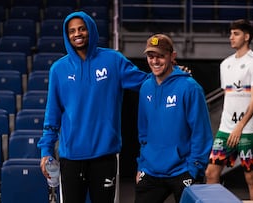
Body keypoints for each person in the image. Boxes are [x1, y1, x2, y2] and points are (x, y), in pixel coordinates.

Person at [37, 11, 190, 203]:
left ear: (90, 30)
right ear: (67, 35)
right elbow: (52, 115)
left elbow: (146, 82)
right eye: (72, 31)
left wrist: (173, 74)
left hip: (105, 156)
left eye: (82, 29)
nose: (77, 34)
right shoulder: (58, 70)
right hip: (71, 157)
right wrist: (46, 151)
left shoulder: (113, 60)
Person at [134, 33, 214, 203]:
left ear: (172, 56)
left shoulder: (190, 88)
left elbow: (201, 132)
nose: (155, 61)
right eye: (151, 56)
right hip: (151, 170)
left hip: (183, 171)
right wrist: (142, 165)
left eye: (160, 56)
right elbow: (144, 132)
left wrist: (195, 168)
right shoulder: (146, 87)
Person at [205, 19, 253, 200]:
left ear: (246, 37)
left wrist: (239, 126)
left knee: (251, 177)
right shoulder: (225, 64)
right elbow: (229, 98)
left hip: (247, 130)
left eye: (236, 33)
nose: (231, 37)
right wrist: (230, 126)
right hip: (225, 129)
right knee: (210, 173)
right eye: (231, 33)